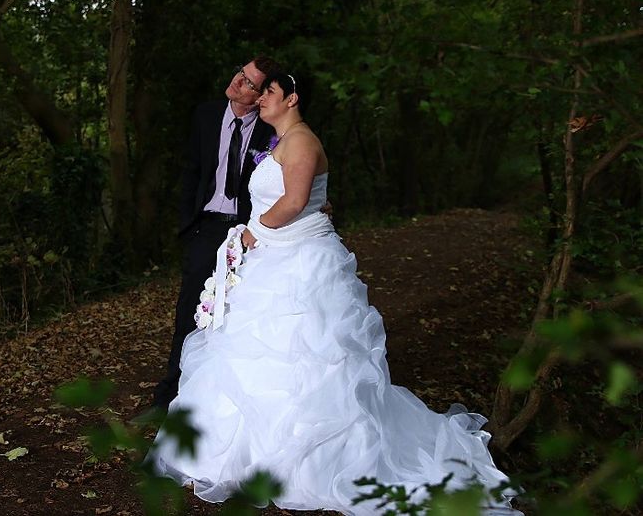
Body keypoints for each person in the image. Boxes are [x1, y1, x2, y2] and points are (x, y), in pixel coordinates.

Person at [148, 72, 520, 515]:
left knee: (308, 353)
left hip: (299, 259)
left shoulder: (302, 140)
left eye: (268, 91)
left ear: (292, 98)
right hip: (274, 254)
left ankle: (312, 459)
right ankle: (246, 449)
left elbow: (292, 201)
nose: (260, 98)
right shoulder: (283, 140)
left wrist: (252, 232)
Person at [152, 57, 282, 411]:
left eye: (250, 82)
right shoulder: (206, 115)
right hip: (206, 227)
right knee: (189, 312)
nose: (238, 81)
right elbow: (192, 171)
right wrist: (188, 225)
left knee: (238, 315)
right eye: (241, 73)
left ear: (260, 97)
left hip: (248, 234)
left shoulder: (270, 131)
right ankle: (168, 398)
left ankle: (220, 404)